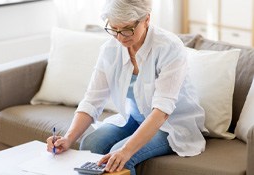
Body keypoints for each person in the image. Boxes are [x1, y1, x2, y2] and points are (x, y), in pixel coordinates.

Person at [46, 0, 208, 174]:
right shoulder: (110, 49)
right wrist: (69, 138)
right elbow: (92, 100)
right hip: (136, 119)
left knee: (119, 158)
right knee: (91, 143)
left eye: (127, 29)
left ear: (146, 19)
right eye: (114, 29)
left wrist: (126, 150)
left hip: (171, 124)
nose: (121, 37)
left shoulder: (169, 47)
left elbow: (162, 111)